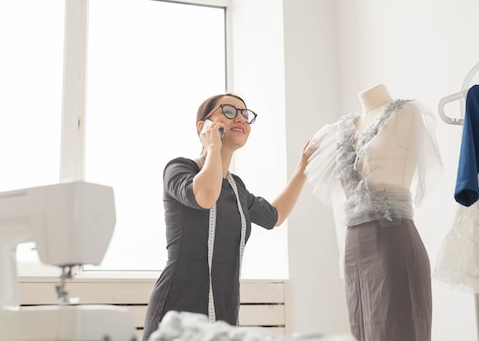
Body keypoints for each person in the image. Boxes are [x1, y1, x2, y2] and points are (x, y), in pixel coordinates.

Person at [142, 92, 312, 341]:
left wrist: (303, 167)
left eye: (245, 114)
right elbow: (206, 195)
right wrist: (212, 146)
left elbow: (275, 216)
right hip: (176, 309)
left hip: (224, 310)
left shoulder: (236, 188)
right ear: (204, 126)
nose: (240, 118)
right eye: (229, 111)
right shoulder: (180, 169)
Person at [305, 84, 442, 341]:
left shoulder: (406, 113)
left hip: (393, 238)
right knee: (361, 329)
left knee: (400, 328)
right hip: (353, 247)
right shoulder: (343, 128)